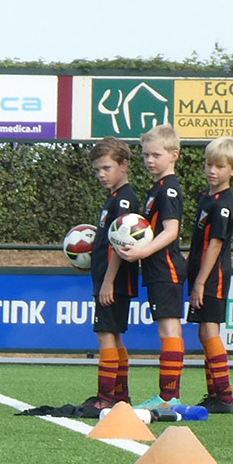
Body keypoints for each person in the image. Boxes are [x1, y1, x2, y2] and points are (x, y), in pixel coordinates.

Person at [117, 125, 187, 409]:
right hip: (157, 268)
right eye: (146, 155)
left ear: (174, 155)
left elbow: (171, 230)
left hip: (165, 267)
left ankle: (169, 396)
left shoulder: (168, 189)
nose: (149, 160)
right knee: (167, 330)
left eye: (156, 155)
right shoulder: (156, 187)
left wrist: (142, 252)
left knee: (169, 330)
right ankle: (169, 396)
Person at [187, 136, 233, 414]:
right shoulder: (206, 197)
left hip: (214, 275)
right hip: (201, 271)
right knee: (204, 332)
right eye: (209, 164)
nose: (212, 171)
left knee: (210, 330)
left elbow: (216, 244)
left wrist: (200, 281)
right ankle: (214, 394)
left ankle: (225, 395)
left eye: (220, 166)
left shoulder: (223, 203)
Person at [88, 137, 140, 410]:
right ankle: (120, 395)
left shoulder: (124, 201)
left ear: (124, 165)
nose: (101, 174)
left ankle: (106, 397)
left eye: (107, 168)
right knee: (114, 333)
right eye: (98, 169)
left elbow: (122, 244)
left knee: (106, 333)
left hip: (115, 281)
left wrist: (108, 281)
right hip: (108, 279)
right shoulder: (114, 198)